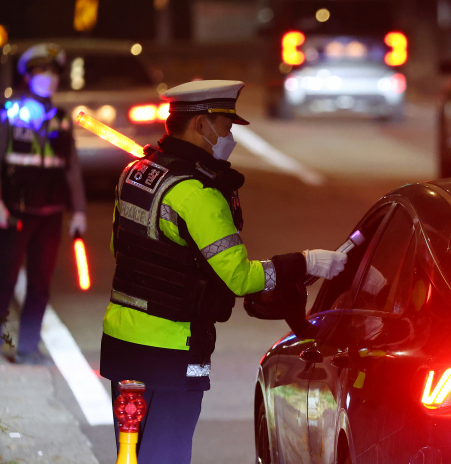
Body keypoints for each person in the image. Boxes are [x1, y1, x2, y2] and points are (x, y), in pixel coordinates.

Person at [100, 79, 347, 463]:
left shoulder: (136, 173)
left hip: (122, 340)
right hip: (172, 347)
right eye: (226, 127)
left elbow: (121, 247)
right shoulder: (198, 193)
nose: (229, 137)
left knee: (131, 451)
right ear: (201, 126)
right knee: (167, 454)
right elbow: (239, 277)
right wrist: (306, 261)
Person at [0, 43, 87, 365]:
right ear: (28, 75)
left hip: (51, 214)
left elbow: (71, 168)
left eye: (55, 72)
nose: (51, 78)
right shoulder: (8, 112)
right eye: (44, 71)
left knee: (41, 285)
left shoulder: (63, 119)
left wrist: (79, 209)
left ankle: (27, 347)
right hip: (15, 212)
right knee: (4, 282)